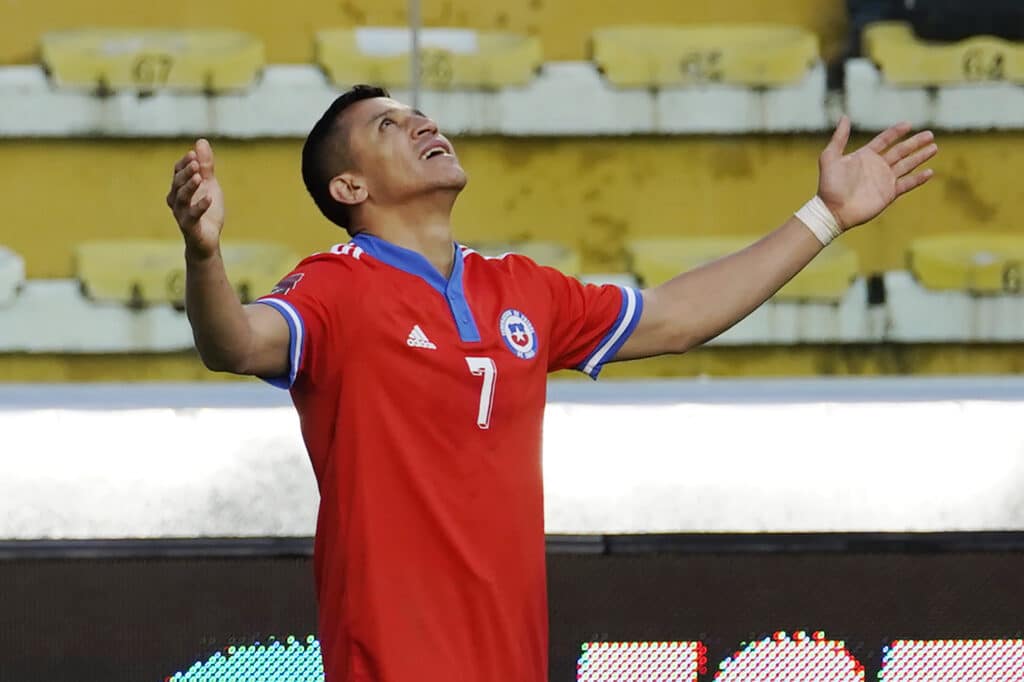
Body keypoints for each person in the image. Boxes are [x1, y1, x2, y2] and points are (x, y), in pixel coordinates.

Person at [166, 84, 937, 681]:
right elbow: (232, 343)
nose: (424, 126)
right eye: (388, 126)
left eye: (422, 116)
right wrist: (204, 257)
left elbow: (675, 318)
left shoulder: (521, 288)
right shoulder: (335, 287)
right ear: (349, 190)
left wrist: (825, 217)